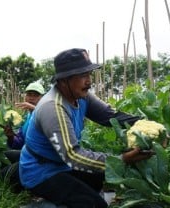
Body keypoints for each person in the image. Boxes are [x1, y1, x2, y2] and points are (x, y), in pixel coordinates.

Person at [19, 48, 154, 207]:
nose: (89, 81)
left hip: (61, 164)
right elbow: (73, 156)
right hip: (41, 170)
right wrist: (122, 159)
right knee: (94, 204)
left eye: (89, 74)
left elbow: (109, 116)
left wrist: (147, 125)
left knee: (98, 179)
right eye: (83, 75)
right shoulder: (53, 107)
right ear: (64, 80)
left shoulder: (80, 95)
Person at [0, 82, 45, 192]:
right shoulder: (27, 116)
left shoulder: (46, 114)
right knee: (2, 157)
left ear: (42, 98)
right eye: (29, 94)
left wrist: (35, 109)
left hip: (40, 159)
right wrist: (11, 137)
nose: (31, 98)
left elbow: (49, 121)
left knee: (6, 174)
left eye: (36, 95)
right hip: (27, 153)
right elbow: (19, 141)